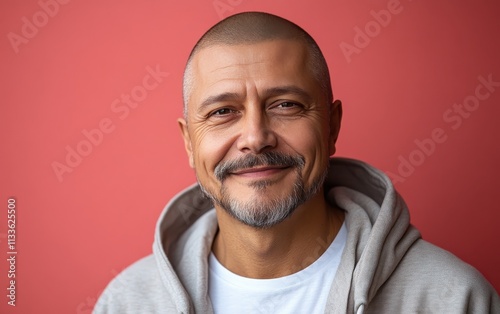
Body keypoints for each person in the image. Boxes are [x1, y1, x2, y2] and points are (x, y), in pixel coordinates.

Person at [94, 12, 499, 313]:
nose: (255, 137)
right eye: (222, 112)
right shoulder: (127, 303)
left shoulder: (452, 298)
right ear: (188, 142)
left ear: (332, 127)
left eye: (285, 105)